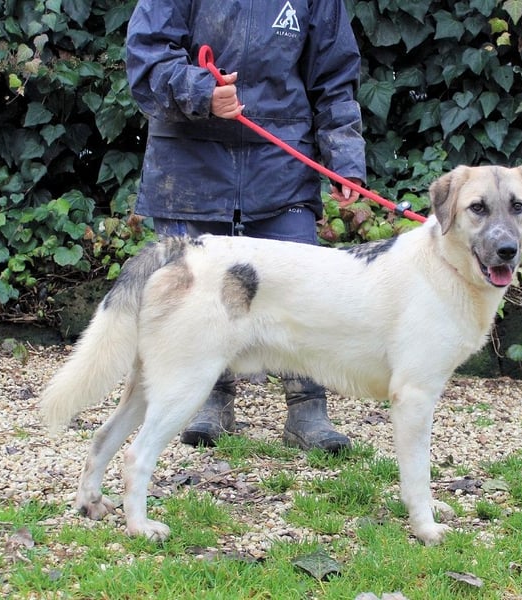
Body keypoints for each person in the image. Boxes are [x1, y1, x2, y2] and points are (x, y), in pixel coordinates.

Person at [125, 0, 367, 453]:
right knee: (198, 294)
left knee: (304, 289)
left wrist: (344, 159)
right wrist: (200, 91)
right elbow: (147, 57)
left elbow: (335, 76)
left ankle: (307, 409)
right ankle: (208, 400)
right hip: (190, 163)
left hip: (280, 164)